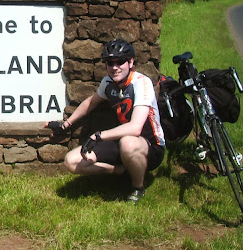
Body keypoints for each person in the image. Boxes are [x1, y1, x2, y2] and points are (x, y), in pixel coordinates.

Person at [44, 39, 165, 204]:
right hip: (120, 141)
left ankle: (138, 187)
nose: (115, 67)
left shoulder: (141, 83)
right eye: (110, 63)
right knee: (70, 161)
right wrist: (66, 124)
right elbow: (90, 102)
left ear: (130, 62)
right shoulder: (108, 82)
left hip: (150, 146)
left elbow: (136, 128)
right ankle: (118, 171)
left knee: (128, 143)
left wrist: (99, 136)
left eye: (120, 62)